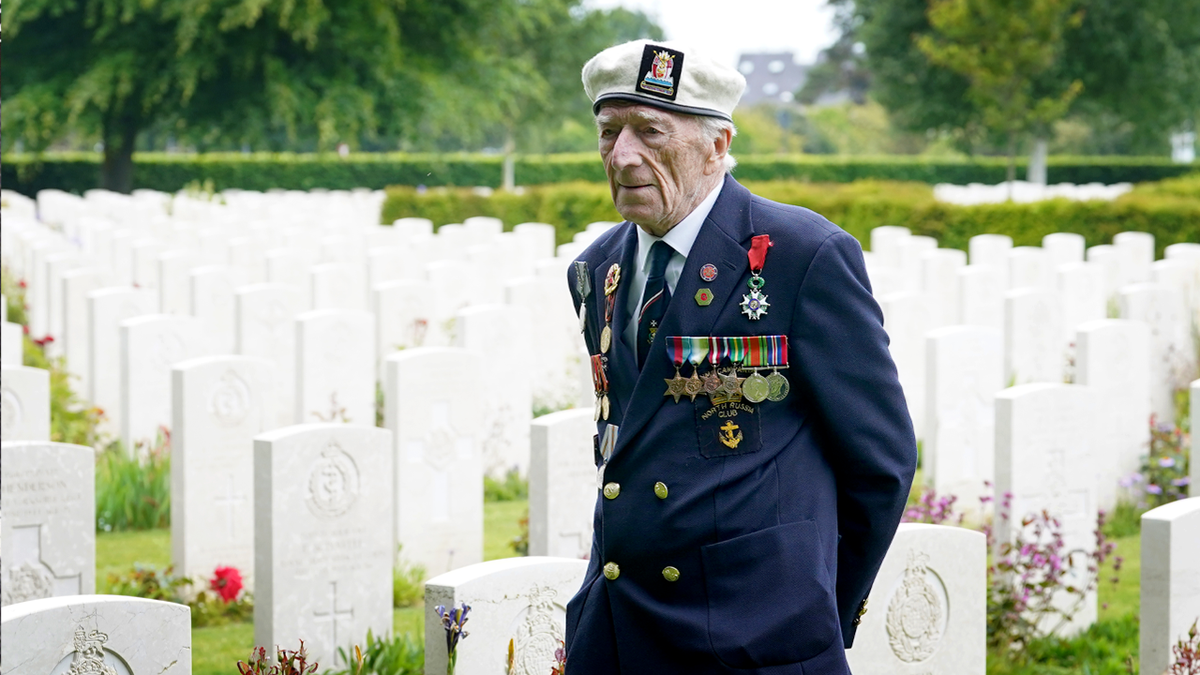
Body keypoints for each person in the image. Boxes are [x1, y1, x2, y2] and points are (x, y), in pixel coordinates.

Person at [564, 39, 918, 674]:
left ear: (717, 146)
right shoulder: (596, 270)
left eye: (649, 131)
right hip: (620, 629)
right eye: (609, 131)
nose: (622, 155)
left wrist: (813, 610)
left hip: (754, 637)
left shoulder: (801, 256)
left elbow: (881, 464)